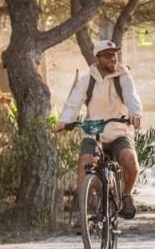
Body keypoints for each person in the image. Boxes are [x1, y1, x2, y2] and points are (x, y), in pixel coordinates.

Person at [56, 40, 144, 219]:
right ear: (97, 59)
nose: (113, 58)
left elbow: (132, 97)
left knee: (131, 164)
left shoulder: (124, 77)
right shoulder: (86, 80)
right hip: (94, 131)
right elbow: (73, 104)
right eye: (108, 55)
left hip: (119, 130)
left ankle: (126, 196)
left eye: (114, 54)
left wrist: (135, 114)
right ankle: (82, 210)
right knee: (85, 162)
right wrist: (65, 121)